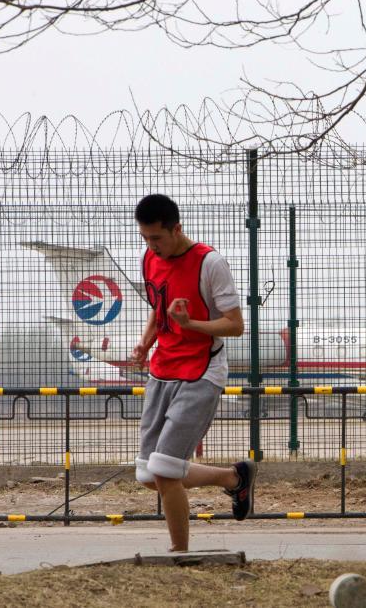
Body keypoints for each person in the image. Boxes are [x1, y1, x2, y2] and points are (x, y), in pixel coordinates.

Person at [132, 194, 256, 552]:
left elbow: (234, 326)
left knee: (166, 470)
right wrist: (145, 343)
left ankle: (179, 554)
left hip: (202, 371)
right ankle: (233, 478)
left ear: (177, 229)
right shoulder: (150, 260)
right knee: (148, 473)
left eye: (157, 238)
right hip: (163, 370)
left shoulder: (209, 263)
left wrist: (191, 324)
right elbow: (159, 308)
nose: (151, 246)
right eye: (145, 239)